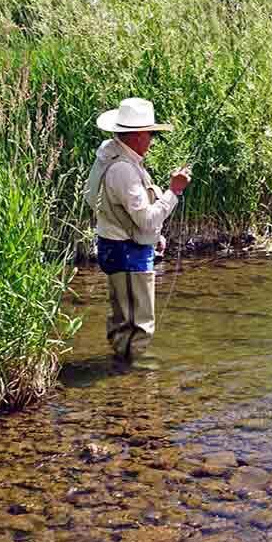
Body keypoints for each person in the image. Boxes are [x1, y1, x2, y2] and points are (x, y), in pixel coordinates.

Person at [84, 97, 192, 361]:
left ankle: (120, 376)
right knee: (140, 325)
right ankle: (133, 381)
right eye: (151, 133)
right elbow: (145, 219)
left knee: (123, 321)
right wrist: (174, 191)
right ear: (137, 135)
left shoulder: (110, 154)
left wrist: (154, 236)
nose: (153, 140)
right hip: (127, 252)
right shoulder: (124, 170)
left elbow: (122, 211)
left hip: (117, 245)